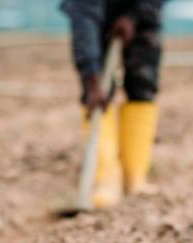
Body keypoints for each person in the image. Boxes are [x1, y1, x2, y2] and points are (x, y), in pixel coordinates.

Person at [61, 0, 165, 208]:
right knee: (97, 94)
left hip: (144, 11)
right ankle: (106, 180)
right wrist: (91, 77)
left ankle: (135, 177)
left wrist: (134, 15)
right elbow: (83, 18)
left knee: (142, 85)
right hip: (96, 19)